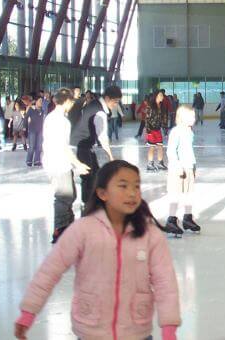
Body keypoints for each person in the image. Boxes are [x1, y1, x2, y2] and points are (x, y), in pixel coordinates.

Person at [13, 160, 181, 340]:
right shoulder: (83, 230)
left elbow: (165, 283)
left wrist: (169, 329)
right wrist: (28, 313)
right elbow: (49, 271)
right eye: (123, 186)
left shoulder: (149, 235)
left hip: (136, 332)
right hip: (91, 330)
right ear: (102, 193)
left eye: (136, 186)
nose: (132, 193)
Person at [43, 88, 91, 244]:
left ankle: (68, 227)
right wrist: (78, 164)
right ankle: (61, 230)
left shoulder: (50, 117)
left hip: (53, 162)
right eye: (71, 101)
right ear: (67, 102)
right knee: (64, 196)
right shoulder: (62, 121)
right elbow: (63, 147)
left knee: (69, 195)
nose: (72, 104)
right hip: (59, 163)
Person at [70, 85, 122, 209]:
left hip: (83, 144)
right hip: (80, 145)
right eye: (115, 102)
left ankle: (91, 203)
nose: (115, 105)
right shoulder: (100, 112)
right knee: (89, 176)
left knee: (95, 173)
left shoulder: (95, 103)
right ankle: (87, 206)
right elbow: (102, 137)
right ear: (108, 98)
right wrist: (110, 156)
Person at [165, 105, 201, 236]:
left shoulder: (189, 131)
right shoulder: (176, 131)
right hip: (178, 169)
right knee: (176, 195)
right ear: (181, 118)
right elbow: (171, 151)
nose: (194, 118)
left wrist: (193, 166)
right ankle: (171, 220)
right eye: (190, 116)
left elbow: (189, 151)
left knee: (189, 194)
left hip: (189, 167)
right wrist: (178, 166)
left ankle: (188, 218)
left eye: (194, 115)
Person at [145, 90, 168, 172]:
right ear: (156, 96)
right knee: (152, 147)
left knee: (160, 146)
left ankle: (160, 163)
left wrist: (165, 128)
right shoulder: (150, 106)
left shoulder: (161, 106)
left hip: (158, 129)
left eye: (162, 95)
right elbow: (147, 119)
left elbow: (163, 119)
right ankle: (150, 164)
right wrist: (148, 130)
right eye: (161, 95)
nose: (162, 97)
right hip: (151, 129)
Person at [25, 97, 45, 167]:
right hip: (32, 130)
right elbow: (26, 117)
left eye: (41, 101)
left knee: (39, 146)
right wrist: (25, 127)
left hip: (40, 130)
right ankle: (29, 160)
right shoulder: (31, 109)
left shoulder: (42, 110)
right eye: (39, 101)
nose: (41, 102)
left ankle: (37, 160)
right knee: (32, 146)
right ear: (36, 102)